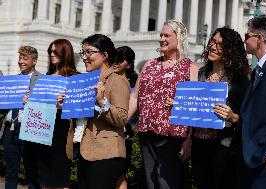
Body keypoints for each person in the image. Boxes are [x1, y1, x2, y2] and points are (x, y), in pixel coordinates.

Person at [128, 20, 198, 189]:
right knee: (151, 181)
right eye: (161, 35)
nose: (162, 39)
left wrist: (189, 139)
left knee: (167, 182)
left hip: (172, 135)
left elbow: (193, 106)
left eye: (167, 35)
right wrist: (121, 123)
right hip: (146, 132)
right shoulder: (150, 64)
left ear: (179, 38)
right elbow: (134, 98)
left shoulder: (190, 68)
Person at [65, 34, 130, 189]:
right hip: (85, 150)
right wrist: (64, 105)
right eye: (83, 53)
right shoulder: (84, 80)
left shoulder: (117, 79)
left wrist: (102, 102)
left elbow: (122, 118)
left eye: (89, 52)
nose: (85, 57)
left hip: (107, 153)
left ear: (105, 55)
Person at [190, 27, 250, 189]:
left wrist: (233, 117)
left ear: (230, 50)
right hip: (199, 145)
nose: (213, 47)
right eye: (213, 42)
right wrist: (179, 105)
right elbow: (194, 106)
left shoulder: (239, 79)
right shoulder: (201, 73)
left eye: (220, 45)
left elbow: (250, 117)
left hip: (223, 147)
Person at [236, 16, 266, 189]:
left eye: (247, 35)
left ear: (260, 38)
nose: (244, 40)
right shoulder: (260, 70)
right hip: (250, 160)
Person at [35, 39, 79, 189]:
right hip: (43, 131)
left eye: (55, 52)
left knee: (61, 179)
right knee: (45, 180)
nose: (52, 55)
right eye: (50, 52)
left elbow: (81, 108)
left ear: (65, 53)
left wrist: (66, 104)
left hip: (63, 131)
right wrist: (30, 99)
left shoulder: (75, 78)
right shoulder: (46, 76)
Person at [0, 46, 42, 189]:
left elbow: (46, 107)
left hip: (28, 131)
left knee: (32, 173)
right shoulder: (12, 80)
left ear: (34, 61)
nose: (21, 61)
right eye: (20, 58)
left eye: (25, 58)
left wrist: (32, 100)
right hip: (9, 130)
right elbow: (4, 108)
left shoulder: (42, 80)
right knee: (10, 172)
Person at [112, 46, 138, 189]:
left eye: (120, 60)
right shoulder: (109, 79)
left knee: (120, 173)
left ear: (129, 64)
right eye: (114, 59)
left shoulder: (135, 84)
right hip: (109, 129)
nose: (115, 63)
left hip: (125, 132)